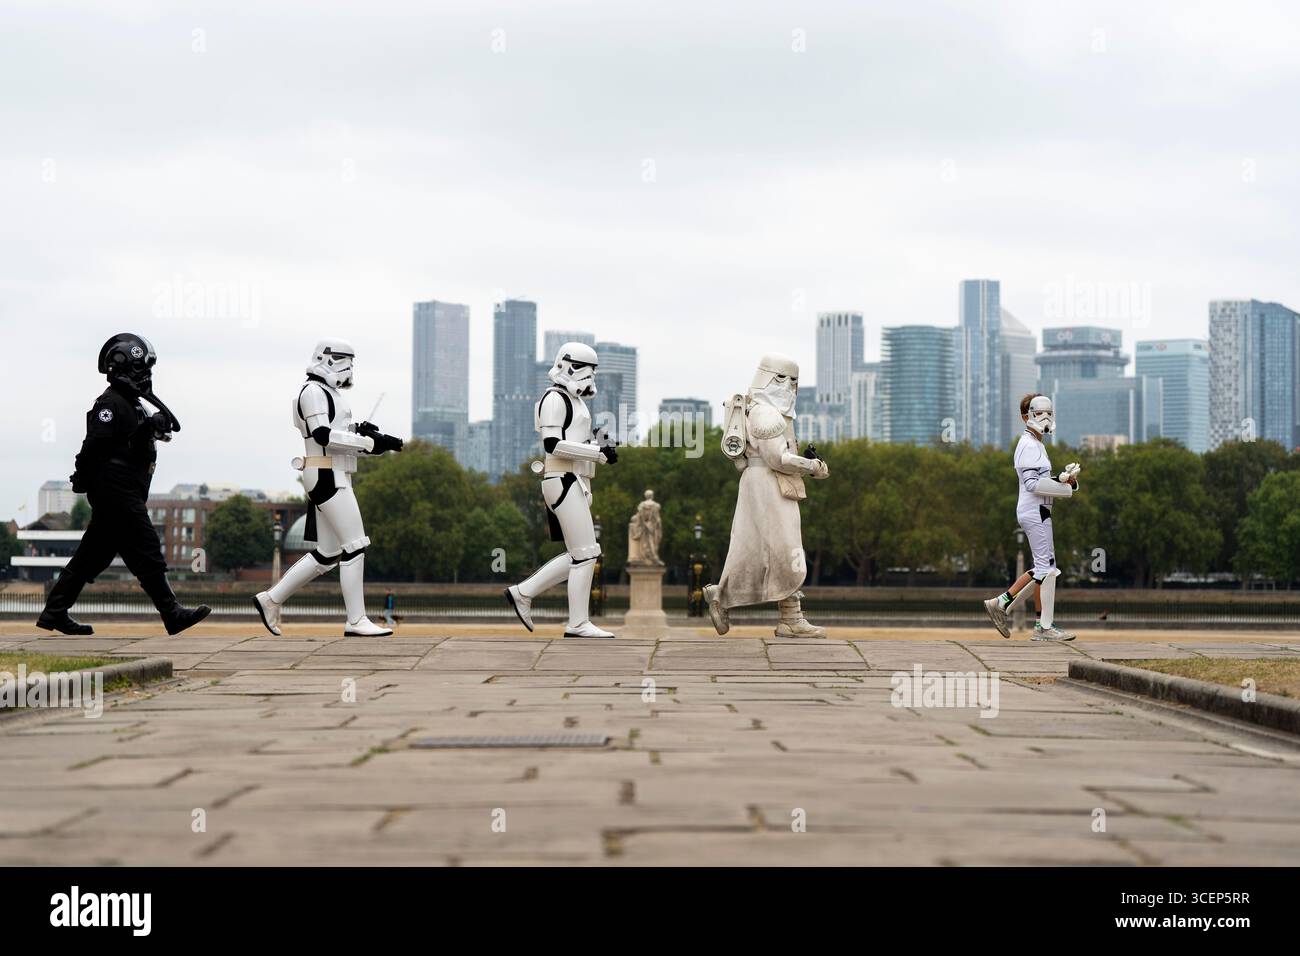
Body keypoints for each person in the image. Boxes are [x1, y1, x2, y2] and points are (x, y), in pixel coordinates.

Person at [36, 333, 210, 636]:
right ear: (126, 368)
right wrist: (82, 476)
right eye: (142, 369)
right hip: (116, 490)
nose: (147, 376)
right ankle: (172, 614)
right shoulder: (111, 403)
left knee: (92, 557)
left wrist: (151, 427)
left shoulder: (132, 403)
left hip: (122, 490)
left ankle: (54, 614)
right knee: (146, 547)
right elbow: (96, 444)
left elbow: (131, 440)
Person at [253, 339, 403, 637]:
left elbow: (336, 437)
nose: (349, 369)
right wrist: (369, 443)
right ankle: (356, 620)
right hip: (326, 475)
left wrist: (367, 439)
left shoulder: (325, 393)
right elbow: (322, 435)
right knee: (355, 544)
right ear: (331, 360)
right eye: (346, 361)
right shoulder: (312, 392)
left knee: (328, 552)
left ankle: (271, 599)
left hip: (333, 473)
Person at [703, 354, 829, 638]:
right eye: (787, 381)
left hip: (761, 482)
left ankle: (721, 596)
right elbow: (777, 458)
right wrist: (812, 466)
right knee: (786, 548)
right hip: (769, 483)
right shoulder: (767, 414)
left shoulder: (758, 410)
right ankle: (790, 618)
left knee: (754, 547)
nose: (791, 389)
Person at [505, 342, 618, 639]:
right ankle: (577, 622)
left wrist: (599, 447)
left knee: (579, 554)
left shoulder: (572, 400)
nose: (587, 376)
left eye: (591, 370)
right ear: (565, 364)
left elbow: (572, 440)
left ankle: (523, 592)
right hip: (562, 478)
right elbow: (552, 444)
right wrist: (597, 453)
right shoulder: (554, 398)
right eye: (582, 368)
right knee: (586, 553)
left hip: (576, 479)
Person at [984, 393, 1081, 642]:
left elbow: (1039, 481)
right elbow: (1032, 484)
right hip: (1034, 511)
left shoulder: (1036, 444)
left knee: (1044, 568)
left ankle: (1002, 604)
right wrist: (1065, 489)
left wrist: (1065, 481)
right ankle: (1043, 627)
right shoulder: (1028, 444)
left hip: (1040, 511)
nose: (1045, 418)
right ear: (1026, 416)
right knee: (1047, 570)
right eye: (1039, 413)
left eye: (1049, 412)